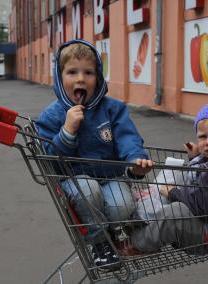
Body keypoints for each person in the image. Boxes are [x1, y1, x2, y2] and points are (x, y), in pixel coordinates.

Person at [36, 39, 153, 271]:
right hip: (76, 178)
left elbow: (128, 138)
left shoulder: (113, 109)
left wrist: (135, 162)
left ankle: (111, 227)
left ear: (98, 77)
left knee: (121, 206)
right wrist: (67, 131)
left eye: (88, 72)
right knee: (87, 190)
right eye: (72, 72)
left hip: (110, 175)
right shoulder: (52, 115)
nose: (80, 78)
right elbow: (51, 157)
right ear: (60, 78)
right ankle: (100, 242)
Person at [123, 101, 208, 255]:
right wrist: (196, 157)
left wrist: (172, 192)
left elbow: (203, 205)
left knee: (176, 212)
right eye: (202, 137)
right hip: (206, 223)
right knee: (177, 175)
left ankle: (135, 244)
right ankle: (146, 213)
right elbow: (205, 178)